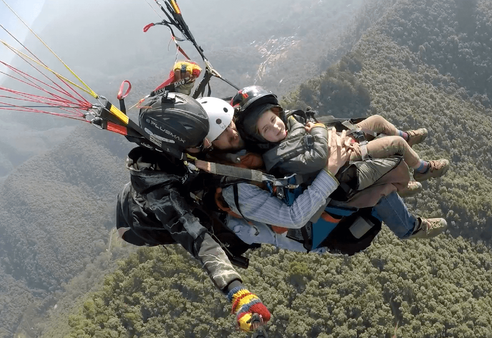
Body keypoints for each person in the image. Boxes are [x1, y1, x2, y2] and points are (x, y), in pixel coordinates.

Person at [196, 97, 448, 254]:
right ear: (210, 145)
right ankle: (410, 227)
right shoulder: (236, 188)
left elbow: (287, 137)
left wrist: (326, 135)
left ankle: (405, 152)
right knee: (382, 189)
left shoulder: (247, 142)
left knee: (376, 127)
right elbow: (293, 216)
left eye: (231, 125)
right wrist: (331, 163)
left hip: (323, 165)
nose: (234, 132)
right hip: (315, 205)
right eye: (227, 134)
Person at [115, 92, 270, 332]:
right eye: (198, 144)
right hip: (135, 223)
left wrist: (182, 82)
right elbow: (197, 237)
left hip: (164, 183)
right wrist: (235, 290)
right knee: (219, 221)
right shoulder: (163, 192)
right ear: (174, 147)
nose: (206, 144)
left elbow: (170, 111)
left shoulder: (163, 135)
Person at [231, 86, 450, 192]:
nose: (276, 127)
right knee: (396, 145)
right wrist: (317, 129)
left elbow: (299, 128)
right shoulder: (277, 157)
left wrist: (305, 126)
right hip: (345, 155)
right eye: (267, 129)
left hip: (340, 139)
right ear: (260, 139)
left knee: (377, 121)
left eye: (274, 119)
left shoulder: (289, 125)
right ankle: (422, 169)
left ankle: (406, 137)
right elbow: (319, 158)